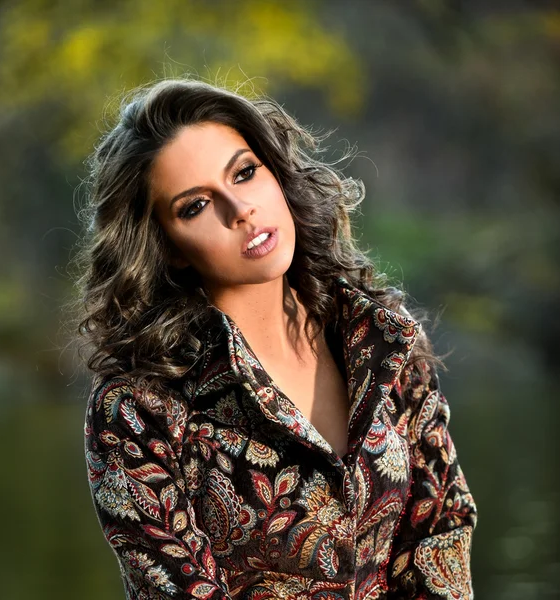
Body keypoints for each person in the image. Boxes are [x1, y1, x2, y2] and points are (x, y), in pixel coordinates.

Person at [77, 78, 477, 599]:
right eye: (195, 206)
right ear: (168, 247)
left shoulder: (384, 342)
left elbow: (440, 534)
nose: (239, 210)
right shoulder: (137, 410)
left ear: (275, 173)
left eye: (245, 173)